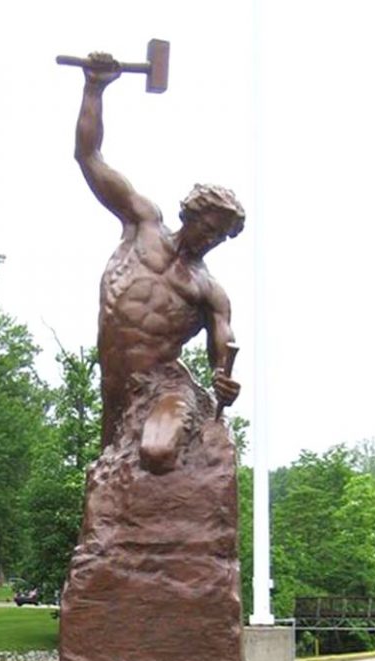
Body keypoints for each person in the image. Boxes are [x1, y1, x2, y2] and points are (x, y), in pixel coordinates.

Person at [75, 53, 244, 473]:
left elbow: (222, 349)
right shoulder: (141, 223)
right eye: (211, 226)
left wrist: (224, 379)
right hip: (117, 381)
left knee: (156, 452)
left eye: (222, 235)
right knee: (109, 468)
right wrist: (94, 88)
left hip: (165, 385)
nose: (213, 239)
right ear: (191, 213)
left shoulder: (209, 292)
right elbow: (89, 156)